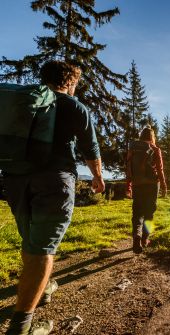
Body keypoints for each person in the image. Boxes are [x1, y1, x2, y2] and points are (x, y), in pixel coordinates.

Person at [3, 60, 105, 335]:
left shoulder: (24, 102)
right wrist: (97, 177)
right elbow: (90, 149)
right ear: (70, 82)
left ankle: (44, 286)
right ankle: (21, 327)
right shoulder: (74, 106)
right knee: (42, 249)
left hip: (14, 180)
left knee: (32, 241)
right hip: (53, 182)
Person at [126, 127, 167, 254]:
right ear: (152, 136)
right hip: (152, 185)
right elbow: (160, 170)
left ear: (141, 136)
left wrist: (129, 186)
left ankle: (136, 237)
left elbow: (128, 168)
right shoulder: (155, 149)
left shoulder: (132, 149)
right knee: (150, 214)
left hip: (137, 184)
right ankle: (145, 239)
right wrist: (164, 186)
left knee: (137, 213)